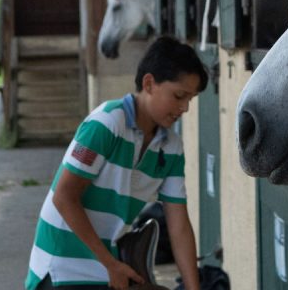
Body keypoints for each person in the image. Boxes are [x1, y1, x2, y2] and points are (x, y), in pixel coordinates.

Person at [26, 36, 207, 290]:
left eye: (191, 99)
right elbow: (64, 197)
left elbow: (178, 225)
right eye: (179, 96)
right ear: (149, 83)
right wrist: (110, 264)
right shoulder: (106, 123)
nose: (185, 107)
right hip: (62, 268)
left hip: (109, 267)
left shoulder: (172, 146)